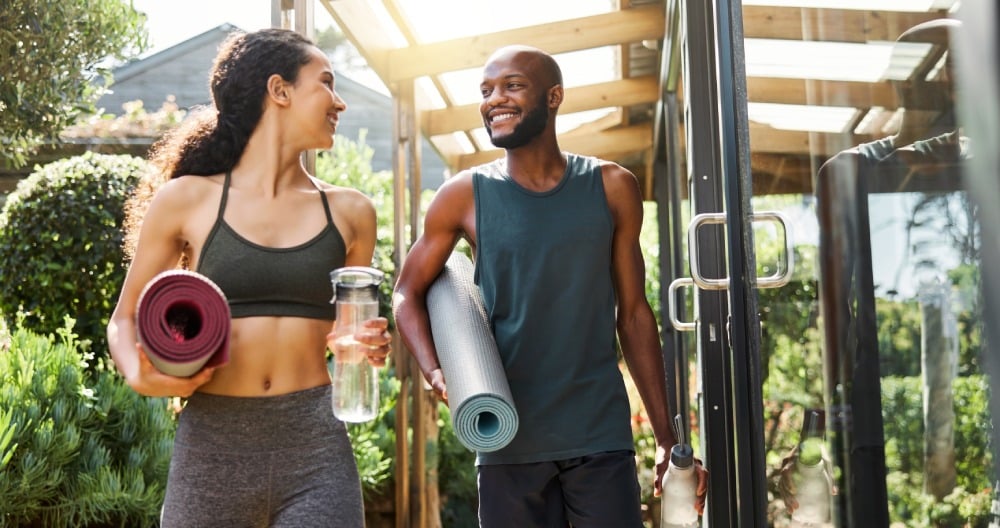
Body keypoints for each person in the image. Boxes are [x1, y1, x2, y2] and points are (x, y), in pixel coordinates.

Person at [391, 44, 708, 527]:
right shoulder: (463, 196)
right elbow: (406, 292)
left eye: (512, 85)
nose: (494, 99)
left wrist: (667, 439)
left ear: (554, 96)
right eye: (486, 91)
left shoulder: (611, 186)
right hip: (506, 440)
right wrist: (437, 372)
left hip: (599, 436)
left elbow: (634, 313)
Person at [106, 28, 391, 527]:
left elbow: (347, 336)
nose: (339, 102)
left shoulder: (351, 212)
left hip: (315, 445)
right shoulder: (187, 199)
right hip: (214, 442)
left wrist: (363, 345)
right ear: (279, 90)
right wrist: (139, 373)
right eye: (326, 82)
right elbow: (124, 319)